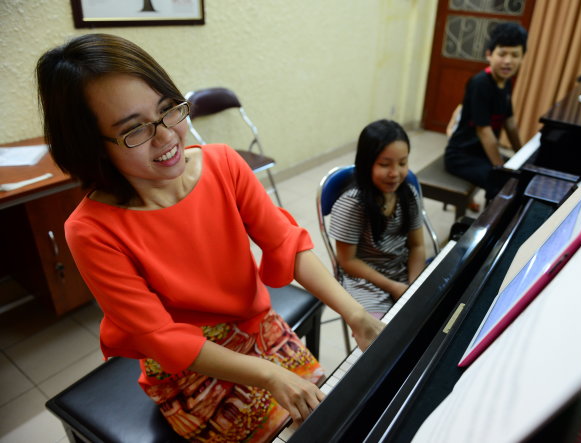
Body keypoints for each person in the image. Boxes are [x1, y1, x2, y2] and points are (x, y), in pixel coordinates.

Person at [36, 33, 383, 442]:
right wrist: (269, 375)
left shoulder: (223, 164)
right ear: (91, 147)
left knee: (331, 414)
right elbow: (161, 338)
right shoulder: (91, 230)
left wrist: (355, 314)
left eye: (168, 109)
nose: (166, 136)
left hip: (256, 325)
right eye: (135, 130)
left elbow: (285, 243)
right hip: (186, 366)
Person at [328, 119, 426, 319]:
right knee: (380, 332)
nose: (395, 173)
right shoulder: (353, 204)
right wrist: (393, 287)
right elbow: (347, 261)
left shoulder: (408, 195)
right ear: (366, 164)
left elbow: (417, 246)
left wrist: (414, 286)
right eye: (384, 164)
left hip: (401, 270)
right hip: (363, 280)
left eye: (402, 163)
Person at [444, 22, 528, 200]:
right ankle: (492, 217)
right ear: (489, 55)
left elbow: (510, 123)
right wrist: (500, 168)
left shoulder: (506, 82)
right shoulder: (480, 83)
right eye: (502, 54)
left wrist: (522, 155)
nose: (508, 61)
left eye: (515, 55)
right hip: (461, 156)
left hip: (482, 153)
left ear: (522, 58)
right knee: (504, 184)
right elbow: (484, 131)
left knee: (522, 173)